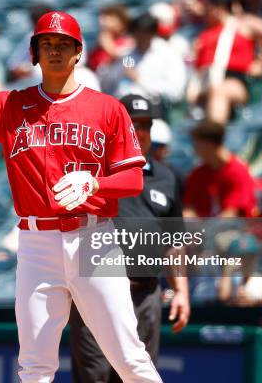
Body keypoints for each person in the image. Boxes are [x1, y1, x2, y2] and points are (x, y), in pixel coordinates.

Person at [0, 10, 162, 382]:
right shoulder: (8, 105)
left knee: (129, 357)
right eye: (46, 44)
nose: (55, 50)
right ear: (34, 53)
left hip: (93, 238)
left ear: (78, 52)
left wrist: (94, 184)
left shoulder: (107, 108)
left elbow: (134, 178)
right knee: (34, 365)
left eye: (63, 44)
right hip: (37, 241)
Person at [70, 95, 190, 381]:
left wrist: (181, 291)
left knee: (138, 376)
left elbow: (175, 239)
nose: (141, 131)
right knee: (94, 377)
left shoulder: (166, 177)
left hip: (145, 292)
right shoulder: (92, 171)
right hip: (97, 292)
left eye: (147, 124)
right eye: (133, 124)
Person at [189, 0, 262, 124]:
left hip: (236, 80)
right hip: (207, 81)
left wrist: (260, 63)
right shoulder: (205, 33)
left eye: (207, 8)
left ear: (218, 8)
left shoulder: (242, 23)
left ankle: (214, 132)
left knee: (220, 91)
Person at [184, 120, 257, 218]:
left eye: (197, 144)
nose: (194, 149)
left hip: (234, 231)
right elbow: (189, 209)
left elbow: (232, 214)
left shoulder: (238, 172)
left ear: (208, 144)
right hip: (203, 230)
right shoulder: (197, 174)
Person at [117, 13, 187, 103]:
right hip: (127, 107)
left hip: (157, 109)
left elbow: (175, 92)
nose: (138, 38)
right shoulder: (129, 55)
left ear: (152, 34)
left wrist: (139, 80)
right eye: (135, 34)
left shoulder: (169, 54)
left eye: (142, 34)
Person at [217, 234, 262, 305]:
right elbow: (222, 299)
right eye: (240, 257)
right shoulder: (227, 280)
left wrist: (253, 302)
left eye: (248, 257)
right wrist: (227, 273)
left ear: (254, 258)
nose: (244, 261)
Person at [87, 4, 133, 72]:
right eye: (102, 17)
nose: (103, 21)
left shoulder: (129, 40)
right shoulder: (103, 38)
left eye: (110, 19)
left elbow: (116, 55)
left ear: (122, 23)